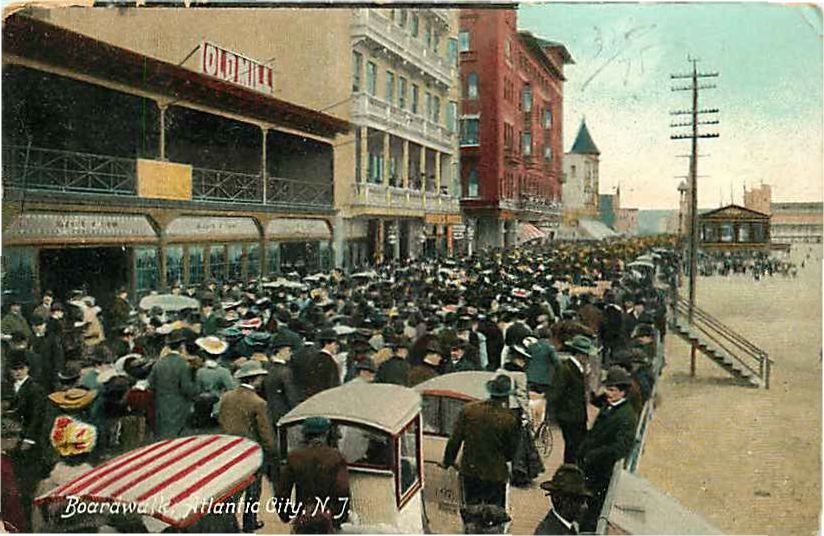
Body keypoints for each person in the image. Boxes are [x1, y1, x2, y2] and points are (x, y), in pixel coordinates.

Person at [441, 374, 520, 508]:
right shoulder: (510, 418)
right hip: (496, 473)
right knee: (494, 512)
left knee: (471, 507)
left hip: (470, 469)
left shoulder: (469, 410)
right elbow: (512, 450)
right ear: (507, 396)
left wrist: (448, 461)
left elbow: (454, 440)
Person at [577, 366, 638, 533]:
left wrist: (594, 455)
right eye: (608, 389)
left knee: (594, 510)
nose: (608, 393)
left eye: (612, 390)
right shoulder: (610, 406)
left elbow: (621, 447)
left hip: (603, 472)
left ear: (622, 393)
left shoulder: (626, 416)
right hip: (593, 467)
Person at [219, 360, 276, 533]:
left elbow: (221, 420)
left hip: (230, 448)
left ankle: (228, 522)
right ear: (254, 379)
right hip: (251, 451)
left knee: (231, 490)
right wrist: (272, 451)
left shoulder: (226, 397)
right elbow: (265, 433)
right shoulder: (258, 402)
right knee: (252, 491)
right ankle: (249, 523)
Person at [275, 416, 351, 532]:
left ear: (304, 434)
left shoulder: (295, 457)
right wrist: (339, 517)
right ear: (326, 433)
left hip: (303, 517)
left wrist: (287, 515)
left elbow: (282, 493)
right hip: (327, 520)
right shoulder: (336, 457)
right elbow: (343, 491)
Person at [5, 353, 47, 532]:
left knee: (26, 479)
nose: (18, 372)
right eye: (14, 369)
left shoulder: (35, 389)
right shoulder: (7, 387)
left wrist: (29, 439)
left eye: (21, 368)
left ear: (27, 369)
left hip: (28, 439)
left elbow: (37, 417)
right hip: (11, 437)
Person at [548, 335, 595, 464]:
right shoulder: (566, 369)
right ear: (580, 355)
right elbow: (556, 392)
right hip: (569, 416)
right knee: (573, 447)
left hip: (576, 415)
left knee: (576, 446)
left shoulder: (579, 369)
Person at [147, 328, 200, 438]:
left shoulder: (158, 363)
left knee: (163, 438)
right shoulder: (183, 364)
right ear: (182, 345)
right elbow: (187, 388)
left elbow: (151, 384)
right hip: (180, 406)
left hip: (161, 405)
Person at [534, 464, 592, 535]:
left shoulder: (560, 526)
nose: (585, 506)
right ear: (559, 499)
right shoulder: (550, 532)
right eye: (579, 501)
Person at [193, 336, 235, 430]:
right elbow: (231, 389)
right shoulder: (223, 372)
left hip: (203, 405)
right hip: (218, 406)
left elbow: (197, 390)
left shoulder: (200, 371)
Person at [300, 329, 342, 401]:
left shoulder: (313, 359)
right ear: (327, 343)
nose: (337, 347)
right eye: (335, 344)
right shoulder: (329, 362)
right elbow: (332, 384)